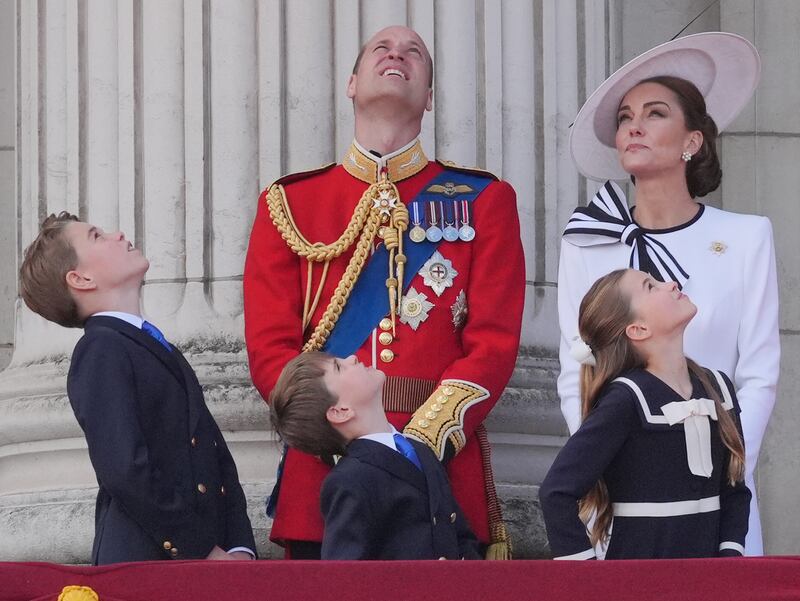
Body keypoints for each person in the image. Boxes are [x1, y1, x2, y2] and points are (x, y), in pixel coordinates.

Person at [244, 26, 524, 558]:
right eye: (382, 49)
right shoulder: (289, 203)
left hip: (437, 472)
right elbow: (269, 348)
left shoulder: (484, 199)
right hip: (325, 471)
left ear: (430, 98)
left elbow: (493, 341)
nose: (398, 54)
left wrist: (415, 446)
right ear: (351, 84)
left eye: (414, 51)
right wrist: (340, 436)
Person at [557, 32, 778, 555]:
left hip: (718, 489)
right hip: (619, 494)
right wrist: (601, 463)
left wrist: (729, 466)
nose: (634, 125)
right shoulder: (587, 240)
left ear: (692, 141)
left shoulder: (748, 237)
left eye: (655, 113)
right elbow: (575, 370)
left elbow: (759, 375)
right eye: (626, 117)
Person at [19, 212, 256, 565]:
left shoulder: (149, 345)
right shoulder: (101, 349)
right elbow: (125, 468)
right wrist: (202, 549)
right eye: (97, 236)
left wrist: (240, 545)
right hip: (148, 564)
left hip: (204, 560)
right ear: (81, 278)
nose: (118, 234)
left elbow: (213, 450)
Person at [541, 268, 750, 559]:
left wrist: (730, 557)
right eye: (650, 286)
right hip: (641, 584)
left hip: (708, 584)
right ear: (637, 329)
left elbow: (734, 488)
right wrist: (586, 579)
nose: (671, 283)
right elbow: (556, 493)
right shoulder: (626, 400)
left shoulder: (718, 389)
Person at [269, 351, 482, 560]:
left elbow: (459, 536)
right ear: (340, 411)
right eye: (339, 367)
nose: (351, 358)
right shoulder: (349, 480)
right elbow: (346, 578)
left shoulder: (420, 449)